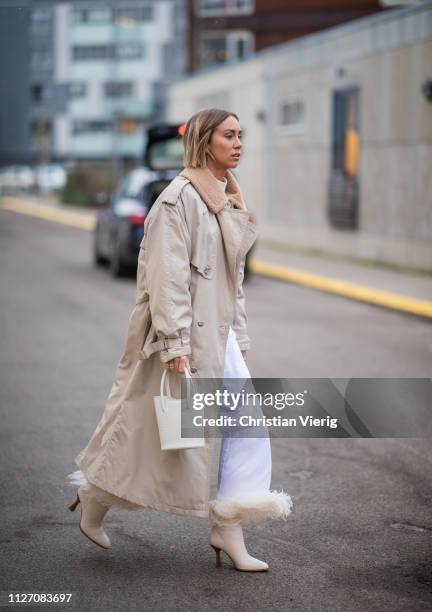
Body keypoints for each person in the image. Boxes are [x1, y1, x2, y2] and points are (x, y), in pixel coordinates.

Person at [67, 108, 292, 572]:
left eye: (241, 135)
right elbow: (165, 279)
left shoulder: (228, 199)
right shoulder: (178, 199)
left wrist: (240, 335)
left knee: (242, 428)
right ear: (206, 142)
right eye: (229, 135)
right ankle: (95, 498)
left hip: (218, 336)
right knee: (154, 433)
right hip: (183, 338)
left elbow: (235, 282)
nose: (238, 143)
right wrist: (175, 346)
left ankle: (229, 524)